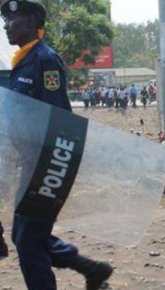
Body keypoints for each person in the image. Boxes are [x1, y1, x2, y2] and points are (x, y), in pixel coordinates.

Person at [1, 1, 113, 289]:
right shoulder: (22, 61)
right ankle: (91, 269)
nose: (5, 25)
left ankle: (90, 270)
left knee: (28, 241)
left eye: (11, 20)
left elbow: (60, 118)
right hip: (30, 164)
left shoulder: (44, 60)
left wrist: (53, 167)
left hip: (47, 163)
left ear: (31, 22)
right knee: (26, 237)